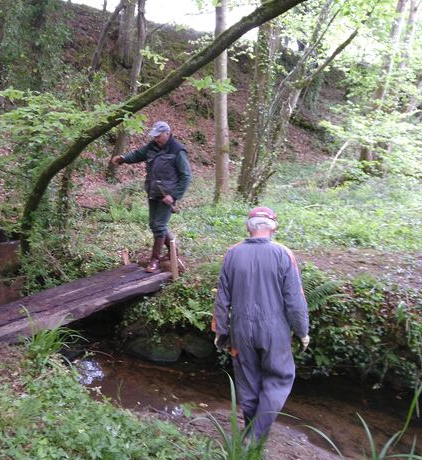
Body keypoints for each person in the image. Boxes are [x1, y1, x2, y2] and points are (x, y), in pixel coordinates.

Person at [212, 207, 310, 441]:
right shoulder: (284, 254)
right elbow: (295, 299)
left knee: (248, 382)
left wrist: (220, 331)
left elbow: (222, 297)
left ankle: (249, 433)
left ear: (249, 226)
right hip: (275, 330)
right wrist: (302, 331)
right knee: (279, 379)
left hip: (241, 329)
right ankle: (256, 437)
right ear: (273, 226)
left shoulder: (232, 253)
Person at [111, 121, 192, 273]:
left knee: (159, 226)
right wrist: (123, 159)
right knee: (154, 224)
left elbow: (186, 176)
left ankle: (154, 259)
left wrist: (173, 196)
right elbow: (137, 154)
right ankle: (173, 249)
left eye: (158, 136)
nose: (156, 139)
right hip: (153, 191)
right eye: (154, 136)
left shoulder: (178, 150)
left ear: (167, 133)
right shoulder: (152, 147)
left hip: (167, 195)